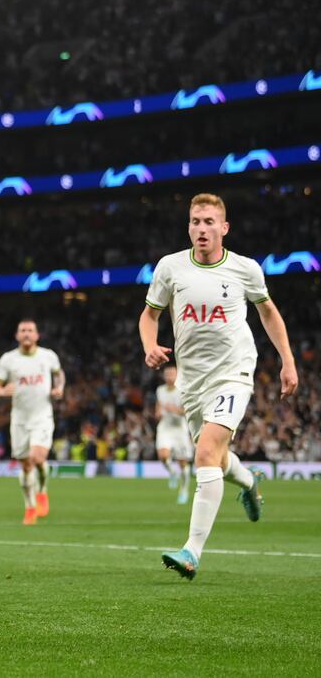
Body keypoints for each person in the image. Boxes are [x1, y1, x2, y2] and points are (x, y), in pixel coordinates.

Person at [140, 192, 298, 580]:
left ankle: (191, 551)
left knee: (206, 451)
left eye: (209, 221)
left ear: (224, 228)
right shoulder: (170, 267)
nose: (201, 229)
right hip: (191, 381)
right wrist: (149, 346)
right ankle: (248, 481)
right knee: (216, 457)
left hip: (233, 371)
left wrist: (288, 361)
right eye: (195, 221)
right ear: (189, 227)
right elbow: (149, 315)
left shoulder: (245, 269)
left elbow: (269, 313)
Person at [0, 319, 65, 525]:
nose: (26, 334)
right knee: (25, 465)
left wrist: (59, 389)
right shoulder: (8, 360)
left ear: (37, 335)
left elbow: (59, 376)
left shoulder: (48, 356)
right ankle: (30, 506)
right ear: (17, 335)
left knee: (37, 457)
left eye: (30, 330)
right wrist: (2, 391)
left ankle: (42, 491)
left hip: (42, 416)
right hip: (19, 420)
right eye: (22, 330)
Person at [154, 365, 194, 504]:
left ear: (177, 375)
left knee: (182, 462)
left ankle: (184, 490)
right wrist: (158, 413)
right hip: (165, 427)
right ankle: (172, 472)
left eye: (172, 373)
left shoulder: (184, 390)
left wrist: (175, 410)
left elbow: (189, 411)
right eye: (167, 374)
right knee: (163, 456)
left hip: (179, 429)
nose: (169, 376)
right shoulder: (160, 390)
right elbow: (158, 407)